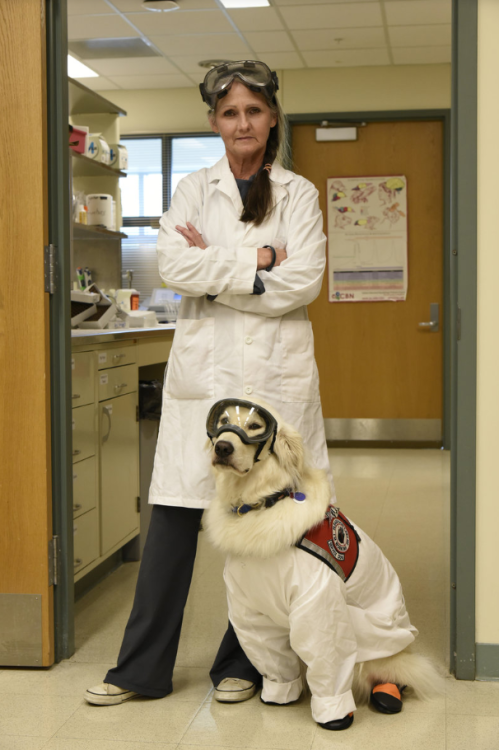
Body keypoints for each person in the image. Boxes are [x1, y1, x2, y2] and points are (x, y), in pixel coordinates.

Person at [85, 59, 334, 708]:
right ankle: (139, 669)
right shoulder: (195, 189)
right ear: (214, 123)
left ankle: (244, 664)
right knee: (172, 515)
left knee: (265, 519)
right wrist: (257, 261)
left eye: (253, 110)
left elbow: (302, 282)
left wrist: (215, 270)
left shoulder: (298, 195)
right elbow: (172, 263)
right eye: (230, 113)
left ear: (272, 117)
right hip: (207, 373)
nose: (242, 122)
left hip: (274, 380)